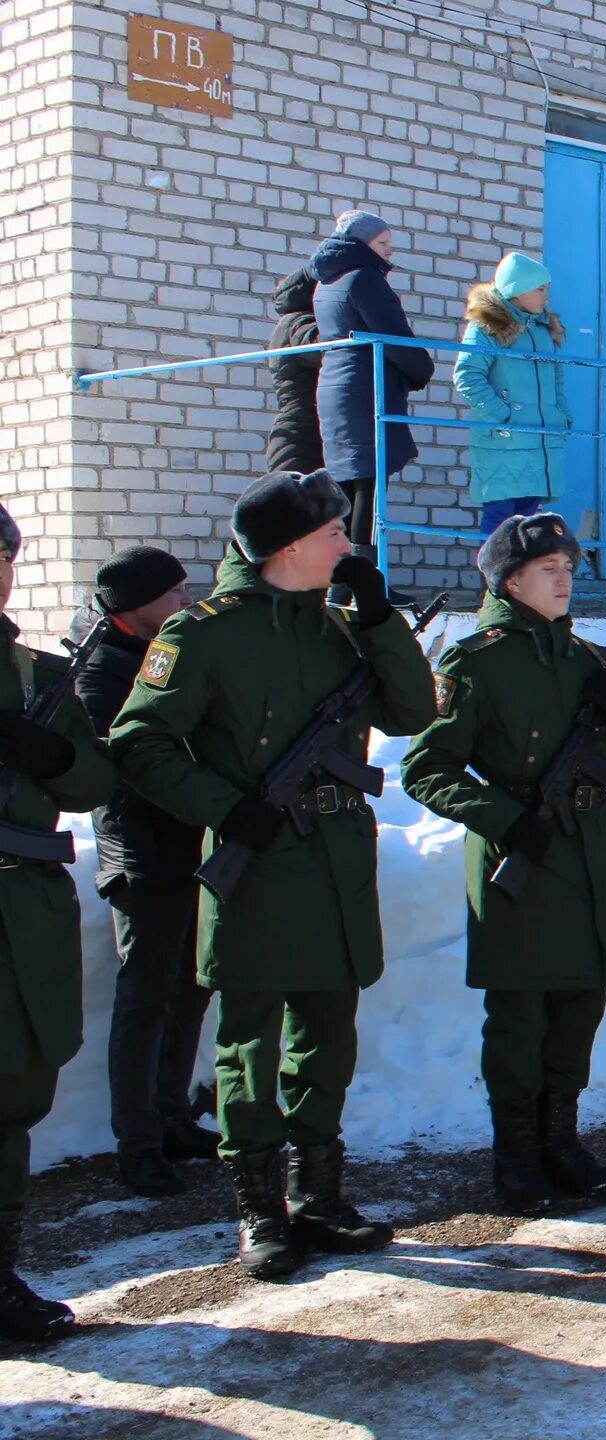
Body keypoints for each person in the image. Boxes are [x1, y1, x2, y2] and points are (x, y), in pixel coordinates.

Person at [110, 471, 433, 1280]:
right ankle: (260, 1207)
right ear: (290, 547)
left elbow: (413, 710)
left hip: (335, 862)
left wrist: (380, 616)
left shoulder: (337, 629)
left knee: (327, 1033)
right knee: (250, 1041)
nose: (347, 544)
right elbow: (138, 740)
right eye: (334, 533)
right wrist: (223, 805)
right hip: (256, 864)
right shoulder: (204, 634)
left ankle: (318, 1195)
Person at [399, 515, 606, 1214]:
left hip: (586, 851)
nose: (566, 579)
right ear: (510, 581)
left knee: (578, 1006)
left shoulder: (588, 659)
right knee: (519, 1017)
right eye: (548, 570)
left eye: (568, 566)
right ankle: (517, 1155)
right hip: (520, 857)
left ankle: (561, 1139)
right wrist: (506, 821)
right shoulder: (475, 662)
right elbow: (427, 768)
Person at [0, 505, 115, 1341]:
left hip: (24, 910)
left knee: (14, 1093)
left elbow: (93, 779)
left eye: (4, 554)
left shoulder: (39, 677)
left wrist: (53, 756)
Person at [73, 547, 213, 1200]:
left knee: (189, 992)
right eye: (176, 593)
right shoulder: (102, 670)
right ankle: (139, 1145)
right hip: (142, 858)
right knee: (145, 1001)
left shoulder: (161, 655)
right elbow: (133, 762)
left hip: (188, 850)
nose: (186, 602)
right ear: (138, 605)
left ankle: (173, 1120)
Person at [309, 212, 435, 560]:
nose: (388, 252)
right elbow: (393, 336)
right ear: (360, 243)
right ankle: (364, 580)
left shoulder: (326, 283)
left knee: (348, 487)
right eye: (382, 244)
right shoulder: (365, 279)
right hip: (367, 389)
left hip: (336, 387)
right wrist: (422, 370)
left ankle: (340, 577)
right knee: (369, 486)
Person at [454, 252, 572, 536]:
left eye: (547, 289)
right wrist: (502, 415)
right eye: (540, 289)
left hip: (538, 438)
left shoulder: (542, 330)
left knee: (529, 522)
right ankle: (494, 580)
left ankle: (522, 579)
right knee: (500, 518)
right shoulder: (487, 326)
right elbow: (467, 375)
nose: (546, 296)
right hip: (504, 441)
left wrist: (562, 415)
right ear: (517, 290)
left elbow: (555, 377)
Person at [265, 267, 324, 474]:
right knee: (294, 503)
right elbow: (323, 349)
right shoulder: (299, 323)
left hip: (301, 429)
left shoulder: (292, 321)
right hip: (300, 433)